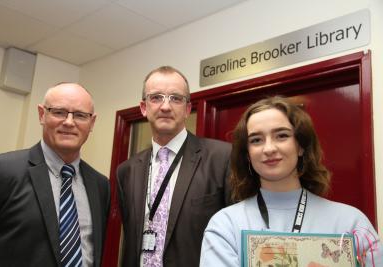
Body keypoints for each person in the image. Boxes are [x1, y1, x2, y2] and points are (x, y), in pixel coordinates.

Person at [200, 96, 382, 266]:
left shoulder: (351, 223)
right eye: (256, 140)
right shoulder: (225, 225)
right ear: (247, 154)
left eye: (282, 136)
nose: (269, 148)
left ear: (301, 146)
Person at [0, 83, 110, 267]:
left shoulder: (100, 185)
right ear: (42, 114)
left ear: (92, 122)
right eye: (59, 112)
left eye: (80, 115)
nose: (68, 122)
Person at [117, 66, 232, 266]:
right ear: (144, 108)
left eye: (176, 98)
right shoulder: (127, 171)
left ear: (188, 109)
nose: (165, 106)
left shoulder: (222, 158)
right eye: (156, 97)